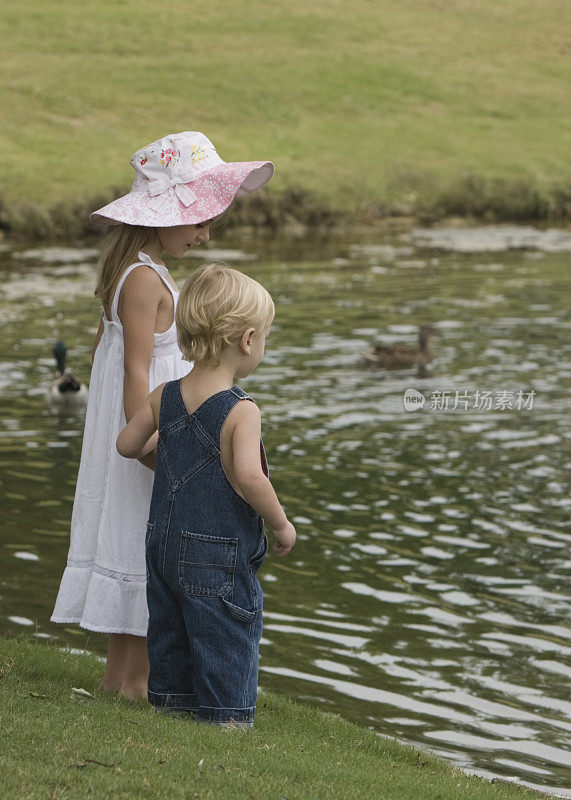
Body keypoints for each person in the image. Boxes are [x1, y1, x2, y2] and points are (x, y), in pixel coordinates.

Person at [50, 132, 274, 700]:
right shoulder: (145, 278)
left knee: (136, 540)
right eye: (197, 221)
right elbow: (133, 372)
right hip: (144, 428)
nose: (205, 234)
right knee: (136, 539)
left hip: (140, 423)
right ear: (161, 217)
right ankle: (129, 683)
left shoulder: (137, 268)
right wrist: (155, 445)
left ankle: (124, 680)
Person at [116, 263, 296, 726]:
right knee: (225, 630)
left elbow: (127, 445)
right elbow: (249, 476)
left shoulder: (164, 395)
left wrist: (173, 444)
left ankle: (173, 705)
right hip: (216, 551)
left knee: (171, 626)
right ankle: (225, 718)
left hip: (163, 542)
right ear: (248, 339)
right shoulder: (241, 409)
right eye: (267, 337)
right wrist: (280, 523)